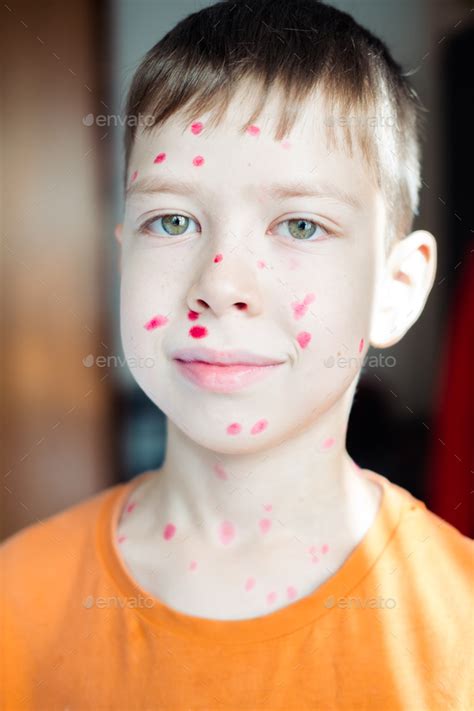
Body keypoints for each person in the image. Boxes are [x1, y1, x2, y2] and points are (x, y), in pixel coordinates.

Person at [1, 1, 472, 708]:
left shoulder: (461, 620)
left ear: (396, 290)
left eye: (301, 224)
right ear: (124, 261)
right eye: (173, 219)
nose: (221, 283)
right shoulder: (17, 599)